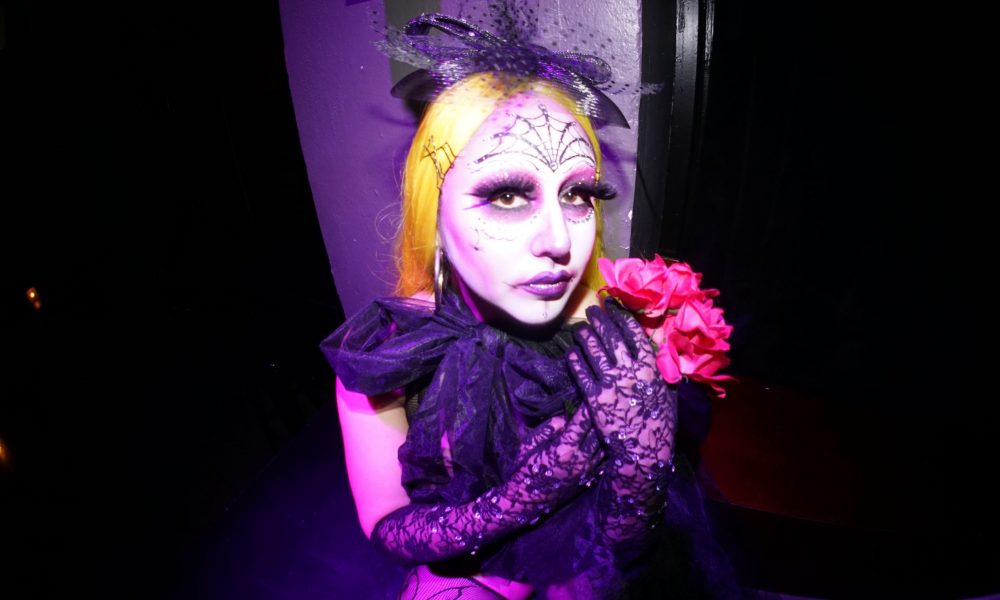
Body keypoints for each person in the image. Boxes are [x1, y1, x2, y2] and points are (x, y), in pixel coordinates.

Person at [323, 13, 737, 599]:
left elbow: (630, 553)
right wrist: (520, 497)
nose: (560, 241)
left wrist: (639, 467)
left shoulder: (613, 339)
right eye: (507, 194)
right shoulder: (390, 350)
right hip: (473, 572)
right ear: (434, 212)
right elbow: (387, 527)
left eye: (578, 194)